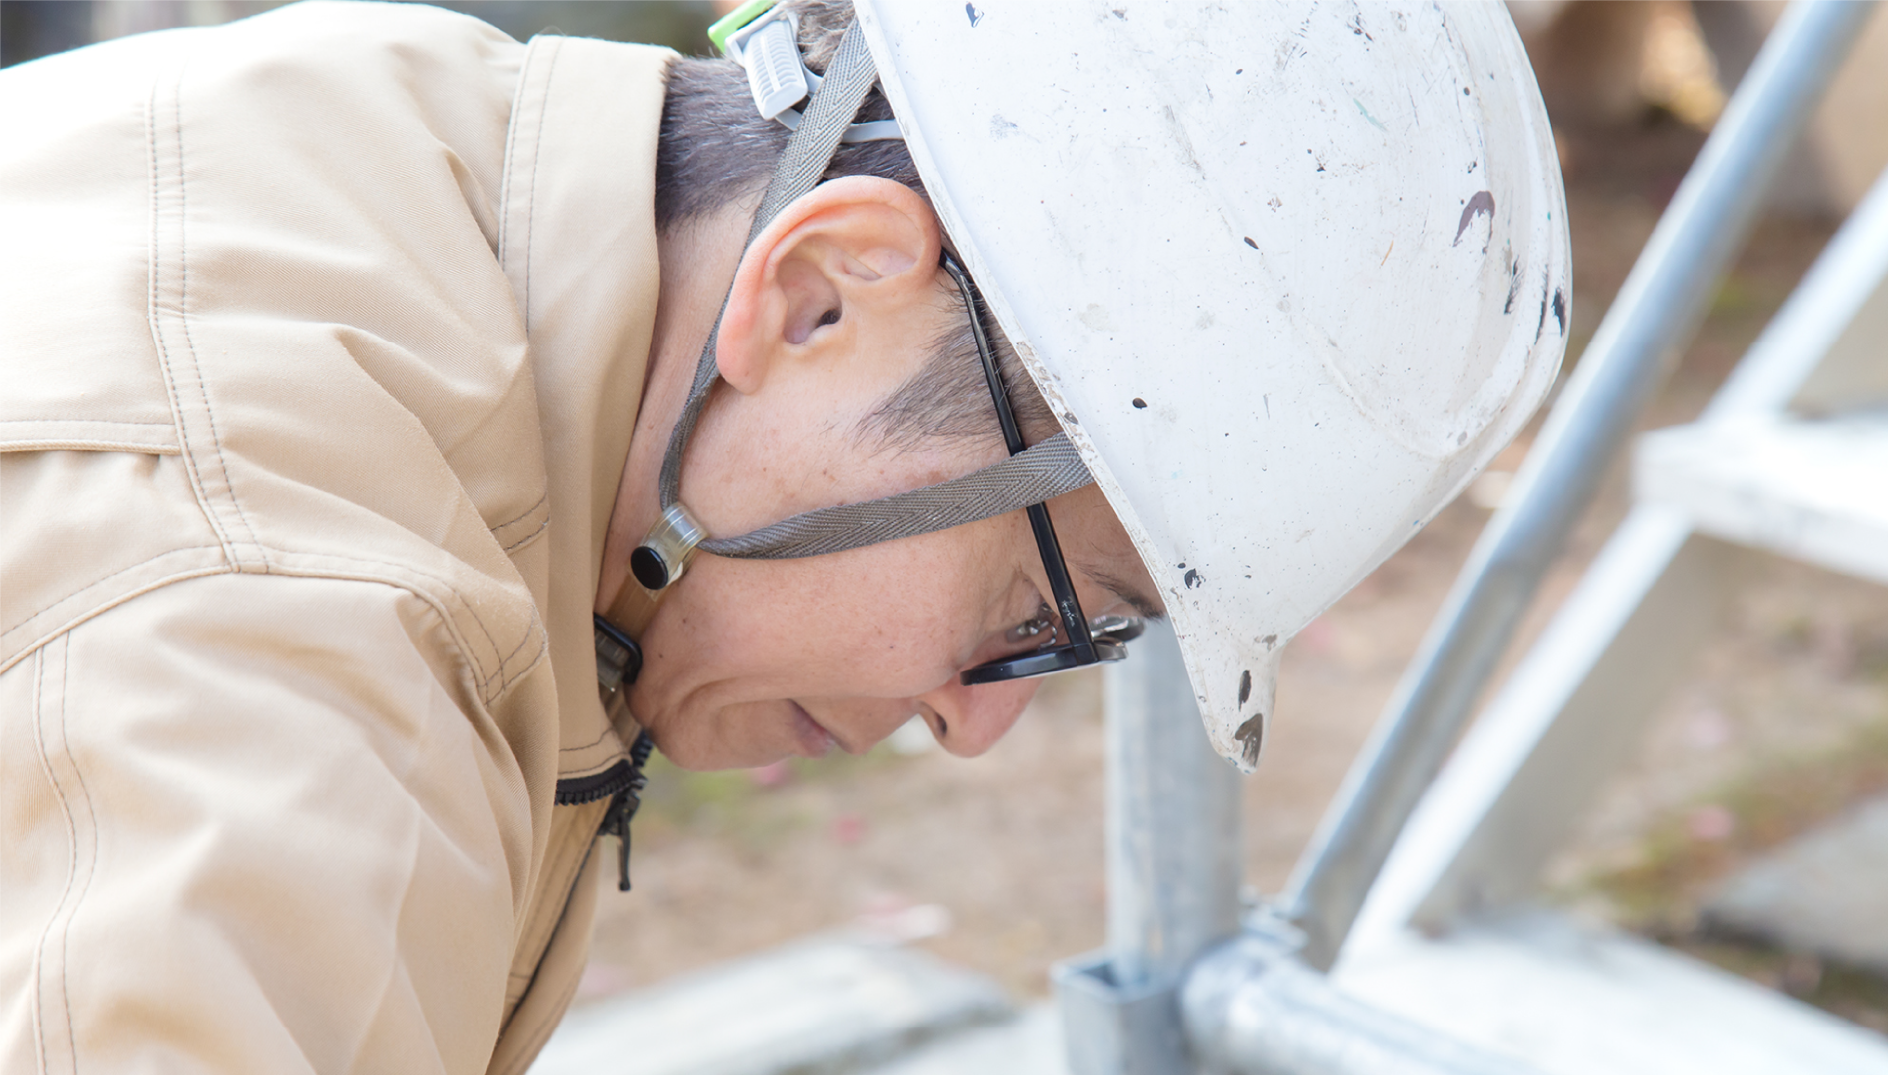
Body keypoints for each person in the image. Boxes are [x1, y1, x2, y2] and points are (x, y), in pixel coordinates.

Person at [0, 1, 1568, 1072]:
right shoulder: (283, 676)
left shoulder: (407, 150)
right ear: (820, 294)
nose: (977, 717)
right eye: (1051, 607)